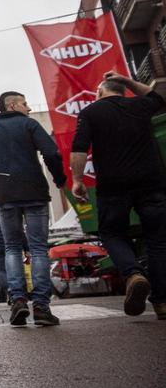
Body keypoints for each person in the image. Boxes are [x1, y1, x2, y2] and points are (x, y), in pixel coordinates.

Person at [70, 71, 166, 320]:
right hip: (151, 181)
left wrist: (78, 181)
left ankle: (133, 274)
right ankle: (162, 303)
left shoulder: (91, 112)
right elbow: (157, 96)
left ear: (100, 93)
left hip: (113, 185)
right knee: (157, 241)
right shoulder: (141, 105)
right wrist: (125, 79)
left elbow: (79, 148)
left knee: (111, 232)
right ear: (122, 90)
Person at [0, 90, 66, 327]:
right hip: (34, 193)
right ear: (11, 106)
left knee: (12, 248)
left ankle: (19, 299)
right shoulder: (29, 125)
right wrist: (60, 179)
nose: (29, 108)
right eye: (24, 103)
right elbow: (51, 152)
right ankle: (41, 305)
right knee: (38, 248)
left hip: (5, 196)